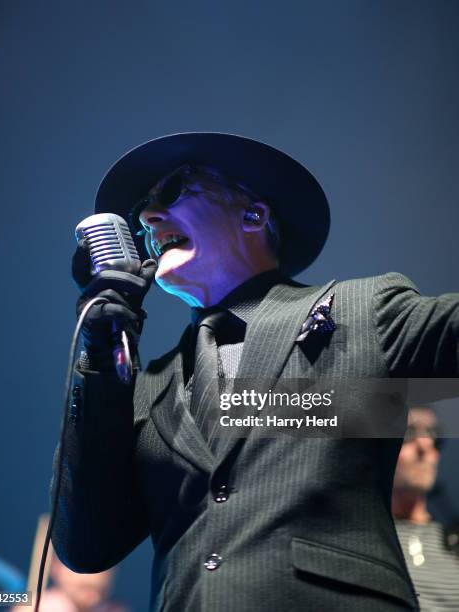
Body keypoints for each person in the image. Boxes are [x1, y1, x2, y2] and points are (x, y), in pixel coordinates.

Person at [51, 132, 459, 612]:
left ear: (254, 214)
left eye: (170, 192)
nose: (145, 217)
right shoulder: (147, 387)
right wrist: (100, 353)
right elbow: (84, 547)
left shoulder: (362, 310)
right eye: (141, 208)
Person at [393, 406, 459, 611]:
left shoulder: (454, 542)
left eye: (433, 435)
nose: (425, 444)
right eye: (409, 433)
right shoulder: (362, 537)